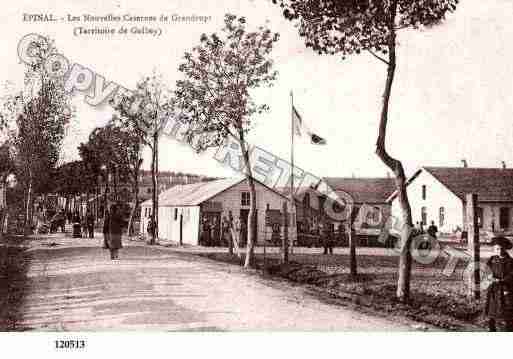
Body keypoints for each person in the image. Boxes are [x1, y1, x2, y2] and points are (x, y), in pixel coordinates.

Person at [485, 236, 513, 331]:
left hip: (506, 290)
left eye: (502, 248)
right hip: (493, 290)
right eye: (497, 249)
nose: (499, 251)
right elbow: (486, 270)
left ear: (505, 249)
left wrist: (502, 280)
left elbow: (511, 275)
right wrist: (488, 276)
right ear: (494, 249)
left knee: (506, 314)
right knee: (491, 313)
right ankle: (491, 328)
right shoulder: (492, 260)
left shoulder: (510, 261)